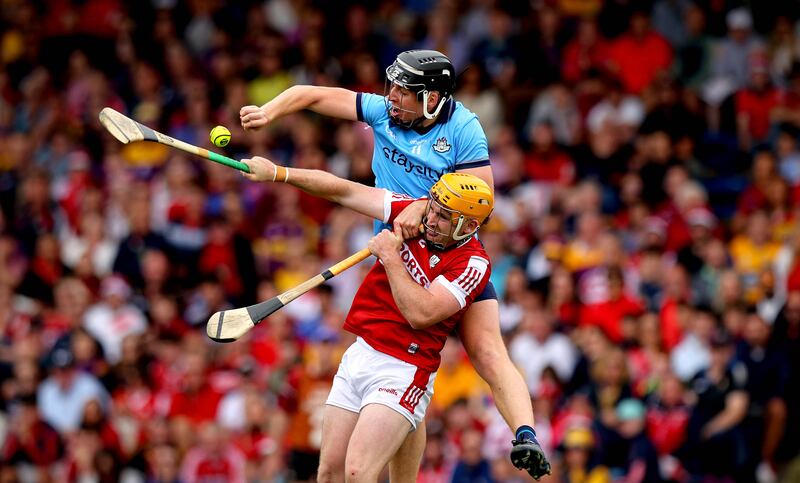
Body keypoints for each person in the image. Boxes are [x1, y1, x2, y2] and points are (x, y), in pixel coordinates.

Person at [240, 49, 546, 480]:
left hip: (449, 252)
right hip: (397, 246)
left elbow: (482, 200)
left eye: (404, 91)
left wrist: (424, 209)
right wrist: (268, 113)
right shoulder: (385, 110)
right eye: (393, 87)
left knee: (488, 352)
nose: (392, 98)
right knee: (404, 372)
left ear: (433, 98)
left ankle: (526, 433)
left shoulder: (464, 128)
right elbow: (311, 95)